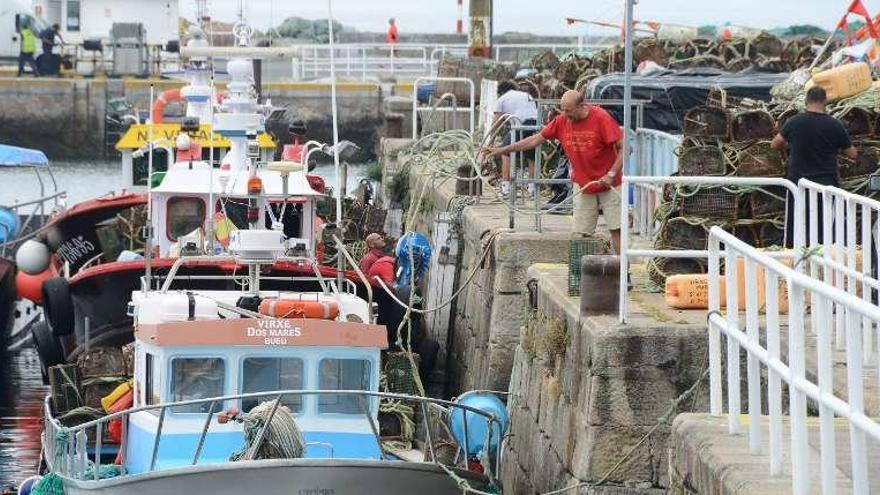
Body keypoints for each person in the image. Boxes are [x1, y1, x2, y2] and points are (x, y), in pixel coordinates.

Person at [482, 89, 625, 253]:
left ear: (582, 106)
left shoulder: (601, 118)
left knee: (616, 229)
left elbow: (625, 148)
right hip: (584, 185)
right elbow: (534, 140)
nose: (565, 114)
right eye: (562, 110)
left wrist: (611, 173)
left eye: (569, 111)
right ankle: (582, 274)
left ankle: (623, 272)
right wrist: (501, 150)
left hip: (610, 183)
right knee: (581, 233)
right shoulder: (561, 121)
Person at [771, 85, 857, 247]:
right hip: (825, 184)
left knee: (796, 224)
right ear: (825, 101)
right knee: (824, 228)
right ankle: (823, 260)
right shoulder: (834, 125)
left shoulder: (794, 122)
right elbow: (852, 154)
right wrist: (836, 147)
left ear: (806, 100)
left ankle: (794, 257)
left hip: (798, 184)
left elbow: (774, 144)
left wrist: (791, 146)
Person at [494, 80, 539, 198]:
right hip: (535, 123)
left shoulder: (502, 99)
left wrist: (490, 139)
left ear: (501, 92)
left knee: (505, 150)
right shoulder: (526, 95)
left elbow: (496, 122)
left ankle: (505, 188)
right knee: (531, 154)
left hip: (521, 123)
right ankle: (532, 188)